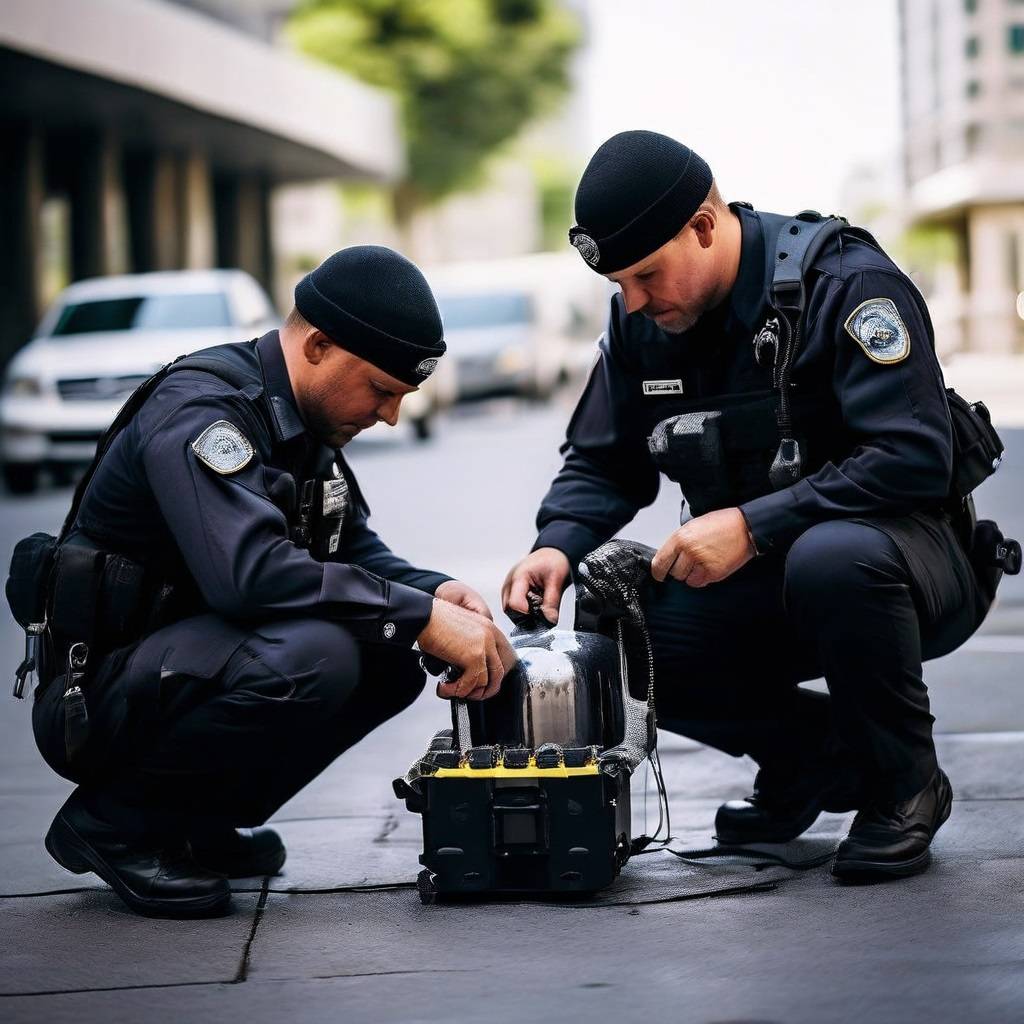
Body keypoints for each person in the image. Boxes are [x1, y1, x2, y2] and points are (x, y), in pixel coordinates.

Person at [502, 131, 994, 881]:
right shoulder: (643, 320)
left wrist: (755, 526)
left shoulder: (847, 284)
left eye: (645, 275)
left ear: (704, 225)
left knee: (834, 556)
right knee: (613, 608)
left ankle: (905, 784)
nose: (632, 301)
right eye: (617, 286)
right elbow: (605, 459)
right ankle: (808, 757)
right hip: (768, 577)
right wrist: (556, 544)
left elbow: (913, 455)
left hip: (909, 565)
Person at [34, 245, 515, 918]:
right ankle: (114, 821)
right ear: (318, 344)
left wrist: (435, 594)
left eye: (403, 398)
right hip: (96, 702)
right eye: (381, 390)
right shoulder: (203, 410)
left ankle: (192, 823)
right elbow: (248, 577)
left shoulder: (304, 417)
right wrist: (419, 616)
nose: (390, 416)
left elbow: (351, 547)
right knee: (316, 656)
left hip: (183, 668)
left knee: (387, 657)